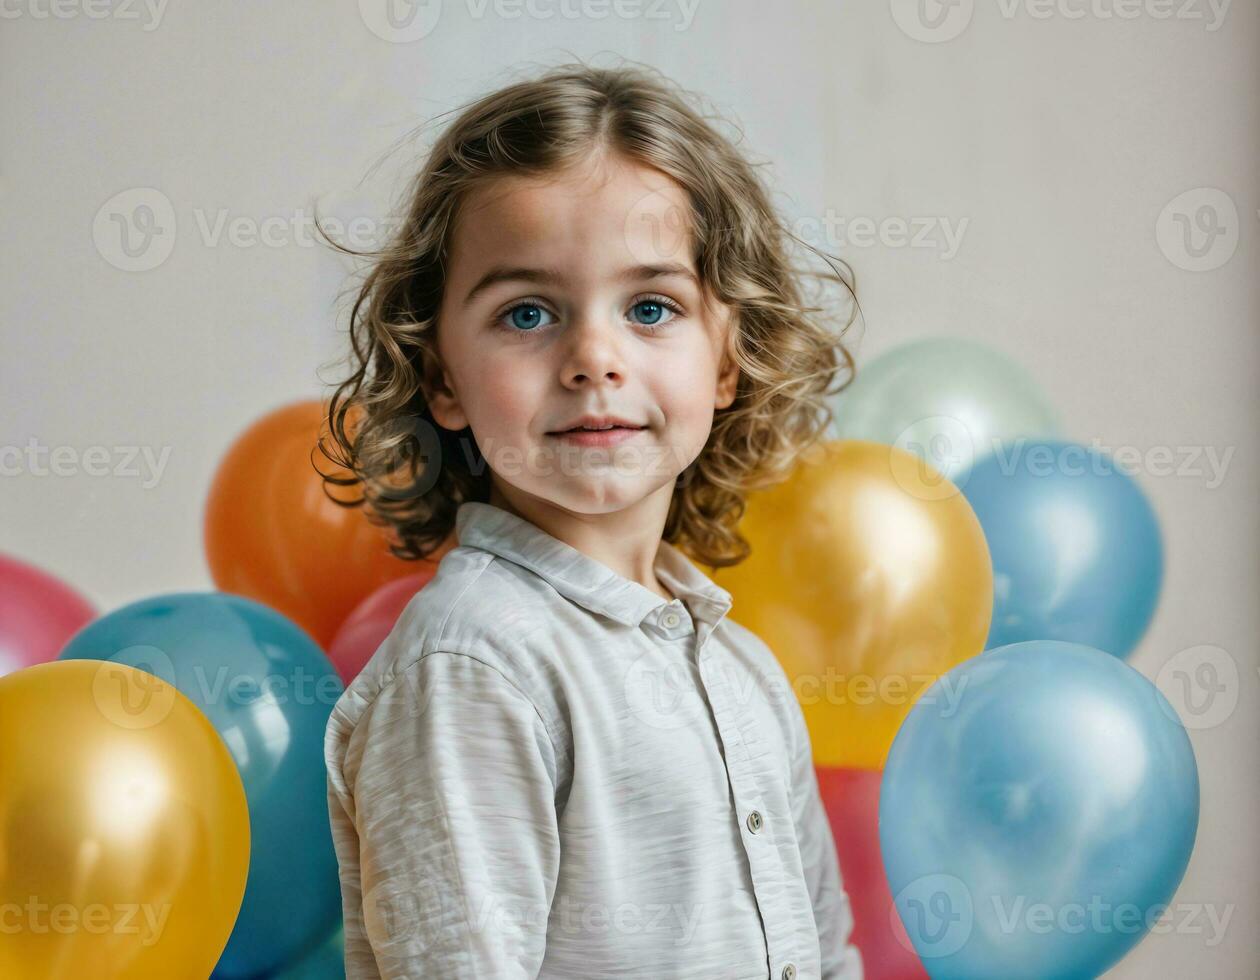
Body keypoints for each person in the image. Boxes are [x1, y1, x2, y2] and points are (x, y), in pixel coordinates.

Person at [319, 60, 863, 979]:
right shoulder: (473, 666)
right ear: (443, 376)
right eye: (527, 312)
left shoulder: (739, 666)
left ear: (727, 361)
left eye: (651, 307)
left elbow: (826, 951)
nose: (592, 358)